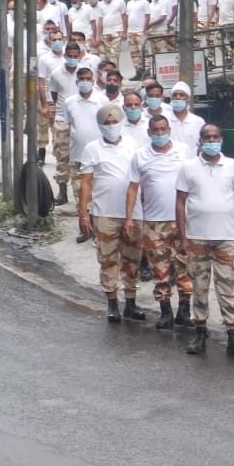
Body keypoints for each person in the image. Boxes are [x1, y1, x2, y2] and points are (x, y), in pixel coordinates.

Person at [176, 124, 234, 358]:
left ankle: (233, 335)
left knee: (227, 286)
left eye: (215, 137)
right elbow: (180, 202)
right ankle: (200, 331)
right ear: (200, 142)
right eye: (207, 137)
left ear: (221, 140)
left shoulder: (233, 166)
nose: (211, 141)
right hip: (197, 237)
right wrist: (183, 237)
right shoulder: (188, 167)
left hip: (226, 237)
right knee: (199, 286)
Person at [78, 103, 146, 324]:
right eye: (106, 123)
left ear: (120, 122)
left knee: (132, 258)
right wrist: (83, 213)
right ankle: (112, 303)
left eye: (114, 122)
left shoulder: (132, 144)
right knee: (108, 259)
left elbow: (140, 177)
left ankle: (131, 302)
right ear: (100, 126)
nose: (110, 126)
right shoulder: (92, 148)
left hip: (132, 212)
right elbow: (86, 183)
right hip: (104, 213)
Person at [126, 113, 193, 330]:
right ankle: (165, 311)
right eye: (155, 130)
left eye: (163, 129)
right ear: (149, 133)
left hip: (182, 220)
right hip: (154, 222)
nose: (160, 134)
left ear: (169, 130)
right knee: (160, 269)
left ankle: (185, 311)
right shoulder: (140, 155)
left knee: (185, 266)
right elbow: (133, 188)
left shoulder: (183, 151)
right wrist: (129, 218)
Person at [64, 66, 102, 241]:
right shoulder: (70, 102)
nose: (85, 82)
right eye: (82, 79)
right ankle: (84, 227)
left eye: (88, 79)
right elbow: (69, 125)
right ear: (77, 81)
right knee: (81, 194)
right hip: (78, 155)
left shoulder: (101, 100)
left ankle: (97, 226)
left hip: (99, 156)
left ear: (93, 81)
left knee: (98, 193)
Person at [48, 42, 82, 206]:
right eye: (70, 56)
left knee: (80, 158)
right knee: (61, 156)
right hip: (62, 119)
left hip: (80, 119)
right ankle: (62, 192)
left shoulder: (84, 73)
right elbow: (54, 95)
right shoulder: (56, 73)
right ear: (65, 55)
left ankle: (82, 195)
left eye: (76, 56)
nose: (73, 59)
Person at [35, 28, 66, 166]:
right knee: (43, 126)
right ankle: (41, 150)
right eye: (54, 40)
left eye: (60, 39)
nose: (58, 42)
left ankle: (59, 155)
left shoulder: (69, 57)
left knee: (59, 129)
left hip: (63, 98)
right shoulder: (45, 59)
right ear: (49, 41)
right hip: (48, 97)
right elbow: (41, 83)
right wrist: (44, 104)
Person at [167, 80, 205, 153]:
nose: (178, 97)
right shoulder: (164, 120)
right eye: (175, 95)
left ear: (188, 98)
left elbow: (202, 144)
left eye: (181, 95)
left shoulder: (198, 121)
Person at [96, 0, 127, 66]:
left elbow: (124, 17)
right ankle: (112, 72)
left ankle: (115, 72)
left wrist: (125, 32)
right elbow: (100, 20)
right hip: (106, 32)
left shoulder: (119, 1)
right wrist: (98, 35)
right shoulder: (101, 4)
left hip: (117, 30)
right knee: (108, 54)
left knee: (114, 52)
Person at [125, 0, 150, 80]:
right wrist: (126, 29)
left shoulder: (144, 2)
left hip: (140, 31)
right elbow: (127, 16)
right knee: (134, 53)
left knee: (144, 51)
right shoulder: (129, 3)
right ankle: (138, 71)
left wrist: (145, 29)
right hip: (130, 31)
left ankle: (147, 71)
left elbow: (147, 16)